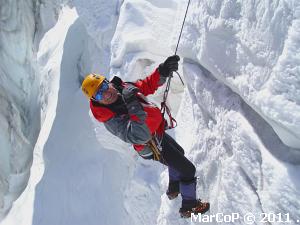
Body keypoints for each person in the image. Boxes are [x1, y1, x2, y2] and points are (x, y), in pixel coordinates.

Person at [81, 55, 210, 218]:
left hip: (157, 133)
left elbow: (145, 86)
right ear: (95, 100)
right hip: (151, 145)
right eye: (99, 95)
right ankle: (189, 207)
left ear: (108, 82)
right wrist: (133, 105)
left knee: (179, 153)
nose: (106, 94)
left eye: (104, 87)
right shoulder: (110, 119)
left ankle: (174, 188)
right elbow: (137, 136)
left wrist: (162, 71)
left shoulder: (122, 88)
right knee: (188, 169)